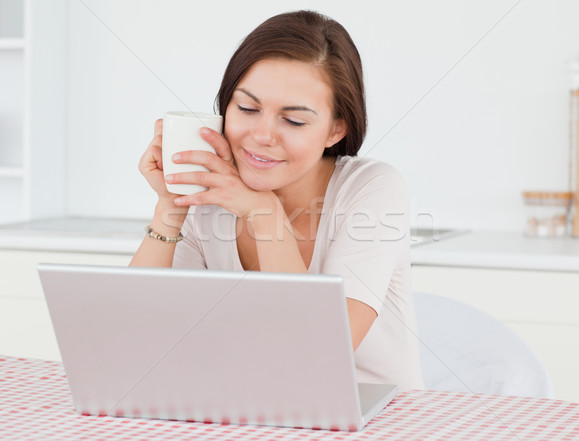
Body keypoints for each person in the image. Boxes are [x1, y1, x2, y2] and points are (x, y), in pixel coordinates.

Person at [131, 10, 424, 390]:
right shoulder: (211, 196)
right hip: (250, 408)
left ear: (336, 129)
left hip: (373, 415)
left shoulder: (371, 189)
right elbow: (136, 339)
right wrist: (169, 206)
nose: (262, 135)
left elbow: (316, 357)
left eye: (295, 121)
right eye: (247, 109)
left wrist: (265, 214)